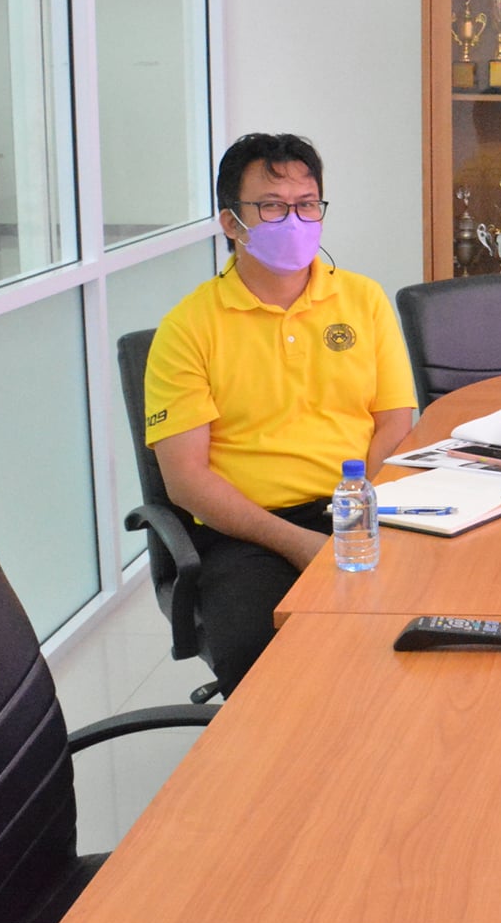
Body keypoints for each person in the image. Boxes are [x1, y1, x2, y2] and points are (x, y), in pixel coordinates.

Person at [144, 133, 415, 692]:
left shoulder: (363, 300)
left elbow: (394, 422)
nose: (294, 220)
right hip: (249, 532)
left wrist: (359, 513)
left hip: (359, 507)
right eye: (271, 206)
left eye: (307, 204)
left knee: (431, 625)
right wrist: (298, 543)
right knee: (270, 659)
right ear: (231, 222)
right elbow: (186, 479)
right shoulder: (187, 328)